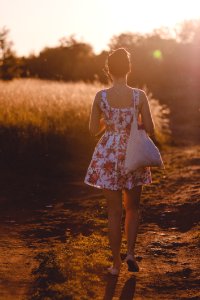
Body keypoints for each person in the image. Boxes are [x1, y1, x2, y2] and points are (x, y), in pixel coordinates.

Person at [84, 48, 155, 275]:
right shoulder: (139, 96)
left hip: (108, 154)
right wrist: (133, 126)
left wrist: (110, 124)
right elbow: (151, 129)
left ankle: (115, 264)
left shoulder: (100, 97)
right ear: (129, 68)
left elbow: (93, 130)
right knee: (132, 207)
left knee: (113, 211)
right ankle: (131, 254)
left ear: (108, 69)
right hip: (133, 152)